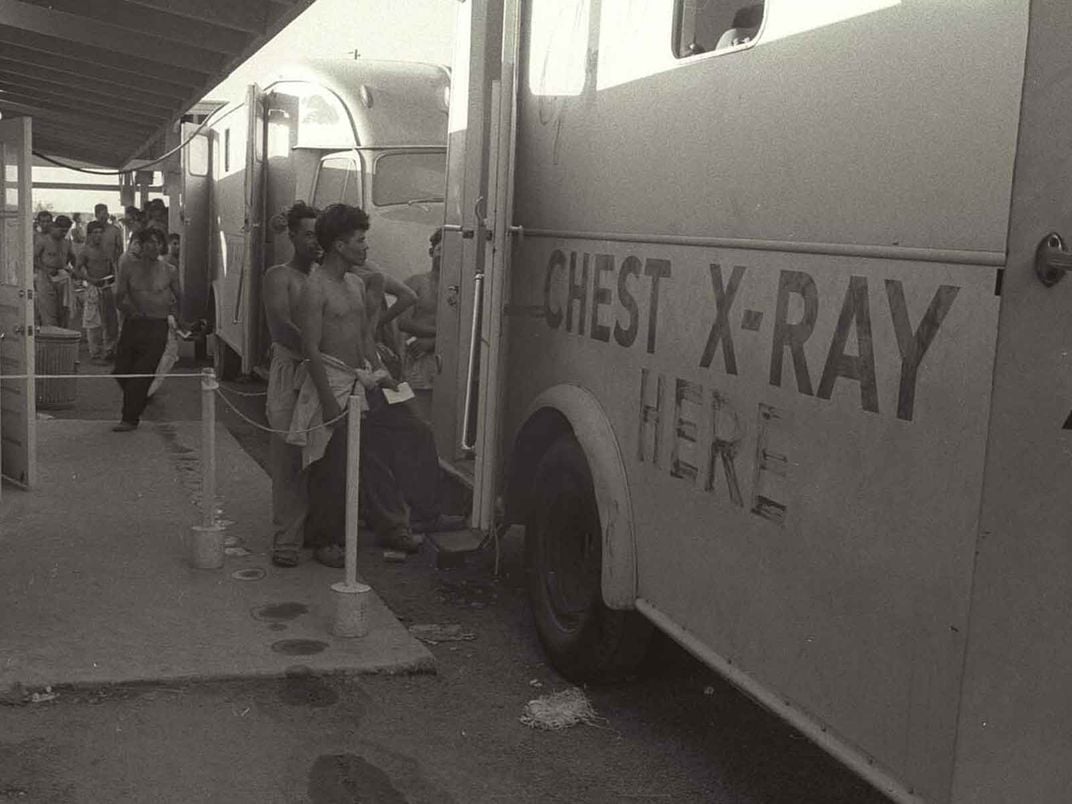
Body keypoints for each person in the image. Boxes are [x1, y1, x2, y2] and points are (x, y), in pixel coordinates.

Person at [289, 204, 464, 565]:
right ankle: (326, 539)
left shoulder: (354, 283)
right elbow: (310, 350)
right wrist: (328, 402)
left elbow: (365, 338)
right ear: (339, 245)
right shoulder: (315, 289)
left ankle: (424, 513)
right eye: (360, 240)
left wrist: (386, 376)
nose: (366, 247)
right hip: (334, 385)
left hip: (367, 380)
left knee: (415, 429)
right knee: (335, 462)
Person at [262, 202, 320, 567]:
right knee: (287, 455)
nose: (315, 241)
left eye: (320, 234)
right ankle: (286, 537)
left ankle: (318, 531)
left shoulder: (327, 276)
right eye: (309, 234)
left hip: (322, 371)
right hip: (291, 370)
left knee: (320, 455)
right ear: (293, 236)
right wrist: (323, 350)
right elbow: (281, 324)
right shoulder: (278, 276)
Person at [111, 228, 181, 432]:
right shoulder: (128, 267)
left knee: (142, 372)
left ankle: (129, 418)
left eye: (158, 242)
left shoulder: (169, 270)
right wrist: (129, 310)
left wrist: (181, 321)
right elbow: (119, 297)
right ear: (141, 245)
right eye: (149, 242)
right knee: (121, 370)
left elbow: (180, 297)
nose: (154, 246)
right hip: (133, 325)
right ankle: (140, 396)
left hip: (157, 326)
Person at [398, 227, 443, 422]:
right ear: (432, 251)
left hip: (445, 359)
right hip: (419, 360)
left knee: (443, 419)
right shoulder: (415, 283)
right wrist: (440, 335)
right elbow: (404, 322)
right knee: (419, 419)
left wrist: (434, 341)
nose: (445, 255)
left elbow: (464, 327)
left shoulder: (458, 288)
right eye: (441, 249)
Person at [75, 220, 119, 363]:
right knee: (94, 322)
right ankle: (95, 353)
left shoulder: (106, 249)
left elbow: (111, 265)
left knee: (111, 321)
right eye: (95, 232)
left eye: (101, 232)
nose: (99, 235)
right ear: (89, 234)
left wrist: (113, 279)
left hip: (108, 286)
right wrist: (90, 279)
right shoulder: (85, 250)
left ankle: (110, 350)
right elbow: (77, 269)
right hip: (94, 287)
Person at [33, 215, 76, 328]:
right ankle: (50, 342)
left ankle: (62, 342)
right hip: (45, 277)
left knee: (64, 311)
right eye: (61, 231)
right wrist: (46, 269)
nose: (63, 233)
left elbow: (73, 258)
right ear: (54, 227)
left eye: (66, 231)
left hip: (62, 277)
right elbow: (33, 259)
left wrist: (73, 270)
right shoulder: (43, 240)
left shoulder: (66, 242)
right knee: (49, 313)